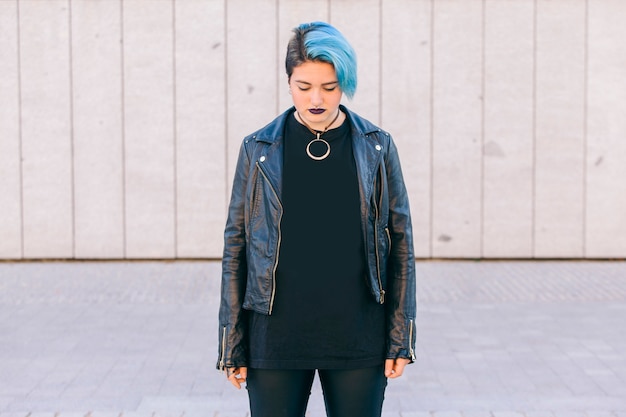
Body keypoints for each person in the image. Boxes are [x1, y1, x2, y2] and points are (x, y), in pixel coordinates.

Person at [217, 21, 416, 417]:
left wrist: (400, 338)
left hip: (358, 334)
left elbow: (401, 244)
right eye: (303, 86)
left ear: (345, 83)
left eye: (329, 87)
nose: (316, 99)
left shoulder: (376, 146)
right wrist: (232, 343)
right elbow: (236, 246)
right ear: (288, 82)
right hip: (274, 336)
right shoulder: (259, 148)